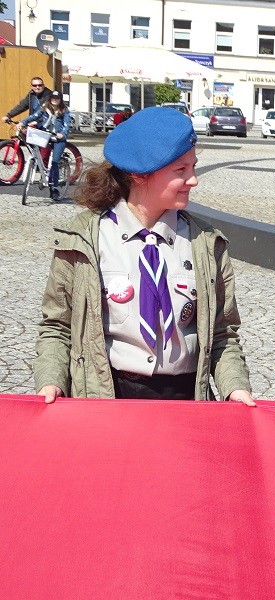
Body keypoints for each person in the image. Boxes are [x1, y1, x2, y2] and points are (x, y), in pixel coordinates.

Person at [33, 106, 255, 406]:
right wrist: (51, 381)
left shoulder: (205, 242)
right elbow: (57, 326)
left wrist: (235, 388)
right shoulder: (83, 239)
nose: (194, 180)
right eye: (181, 170)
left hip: (184, 400)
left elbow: (222, 334)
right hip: (109, 397)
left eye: (193, 167)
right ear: (139, 175)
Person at [18, 90, 71, 200]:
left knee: (55, 162)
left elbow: (67, 125)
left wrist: (62, 134)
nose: (54, 100)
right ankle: (42, 174)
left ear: (60, 100)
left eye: (57, 98)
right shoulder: (45, 108)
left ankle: (54, 188)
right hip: (45, 135)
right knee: (38, 154)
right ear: (50, 99)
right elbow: (34, 116)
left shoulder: (64, 110)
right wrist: (23, 122)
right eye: (53, 98)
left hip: (58, 138)